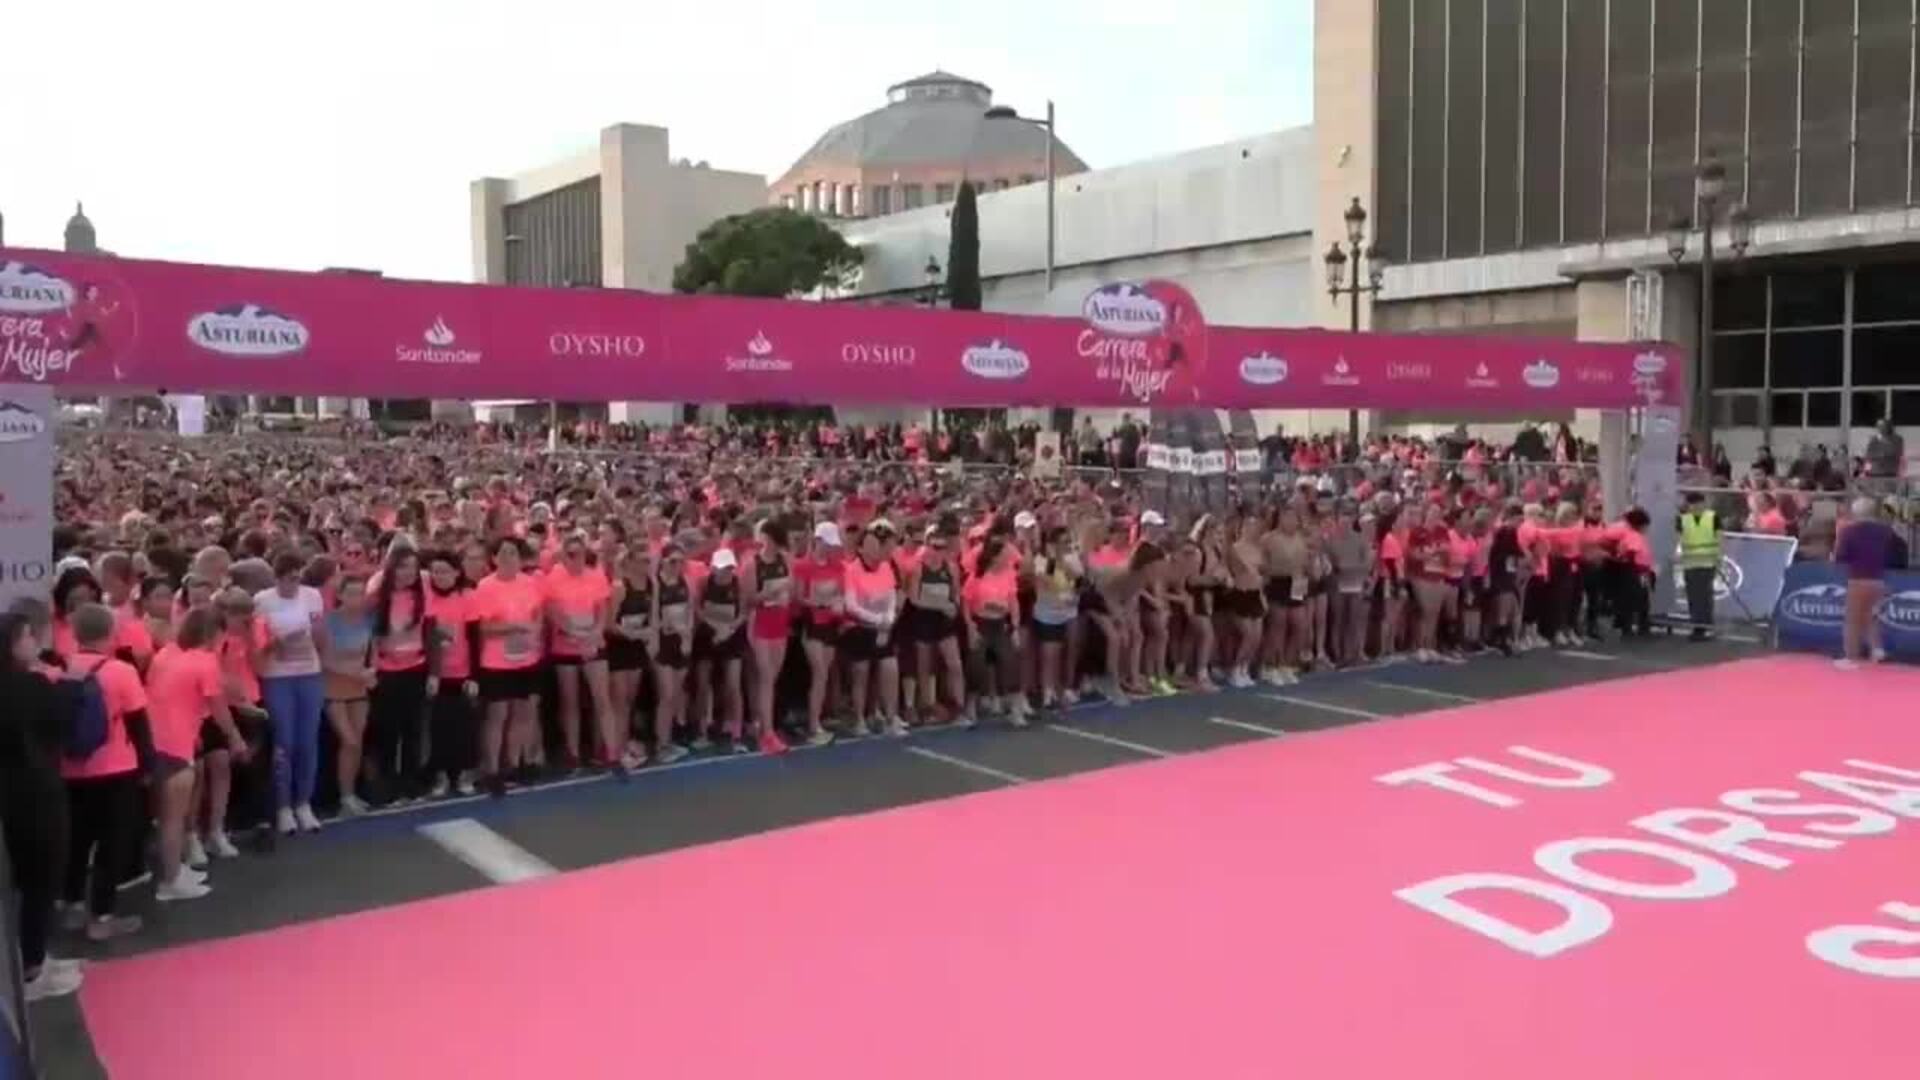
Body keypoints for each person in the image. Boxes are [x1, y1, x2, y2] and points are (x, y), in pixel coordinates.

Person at [0, 610, 86, 999]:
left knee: (25, 883)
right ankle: (33, 968)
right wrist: (71, 687)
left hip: (13, 795)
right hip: (36, 793)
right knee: (42, 880)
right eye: (27, 636)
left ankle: (32, 958)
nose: (34, 642)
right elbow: (65, 731)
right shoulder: (32, 686)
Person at [58, 603, 150, 942]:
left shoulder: (61, 669)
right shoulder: (121, 671)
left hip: (71, 770)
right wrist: (148, 767)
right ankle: (101, 917)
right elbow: (138, 724)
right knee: (112, 844)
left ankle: (71, 905)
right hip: (116, 768)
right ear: (111, 633)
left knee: (77, 840)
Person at [1832, 497, 1897, 670]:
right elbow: (1892, 554)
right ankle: (1877, 651)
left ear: (1856, 512)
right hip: (1879, 580)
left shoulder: (1848, 531)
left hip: (1858, 579)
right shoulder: (1885, 531)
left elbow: (1841, 556)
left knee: (1853, 620)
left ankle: (1850, 657)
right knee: (1872, 617)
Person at [1677, 491, 1721, 641]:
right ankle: (1697, 626)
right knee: (1693, 597)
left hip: (1707, 563)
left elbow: (1720, 539)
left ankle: (1706, 626)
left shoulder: (1713, 517)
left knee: (1705, 597)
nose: (1696, 507)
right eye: (1693, 505)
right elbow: (1679, 540)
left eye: (1699, 504)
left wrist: (1719, 558)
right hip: (1690, 564)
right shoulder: (1683, 520)